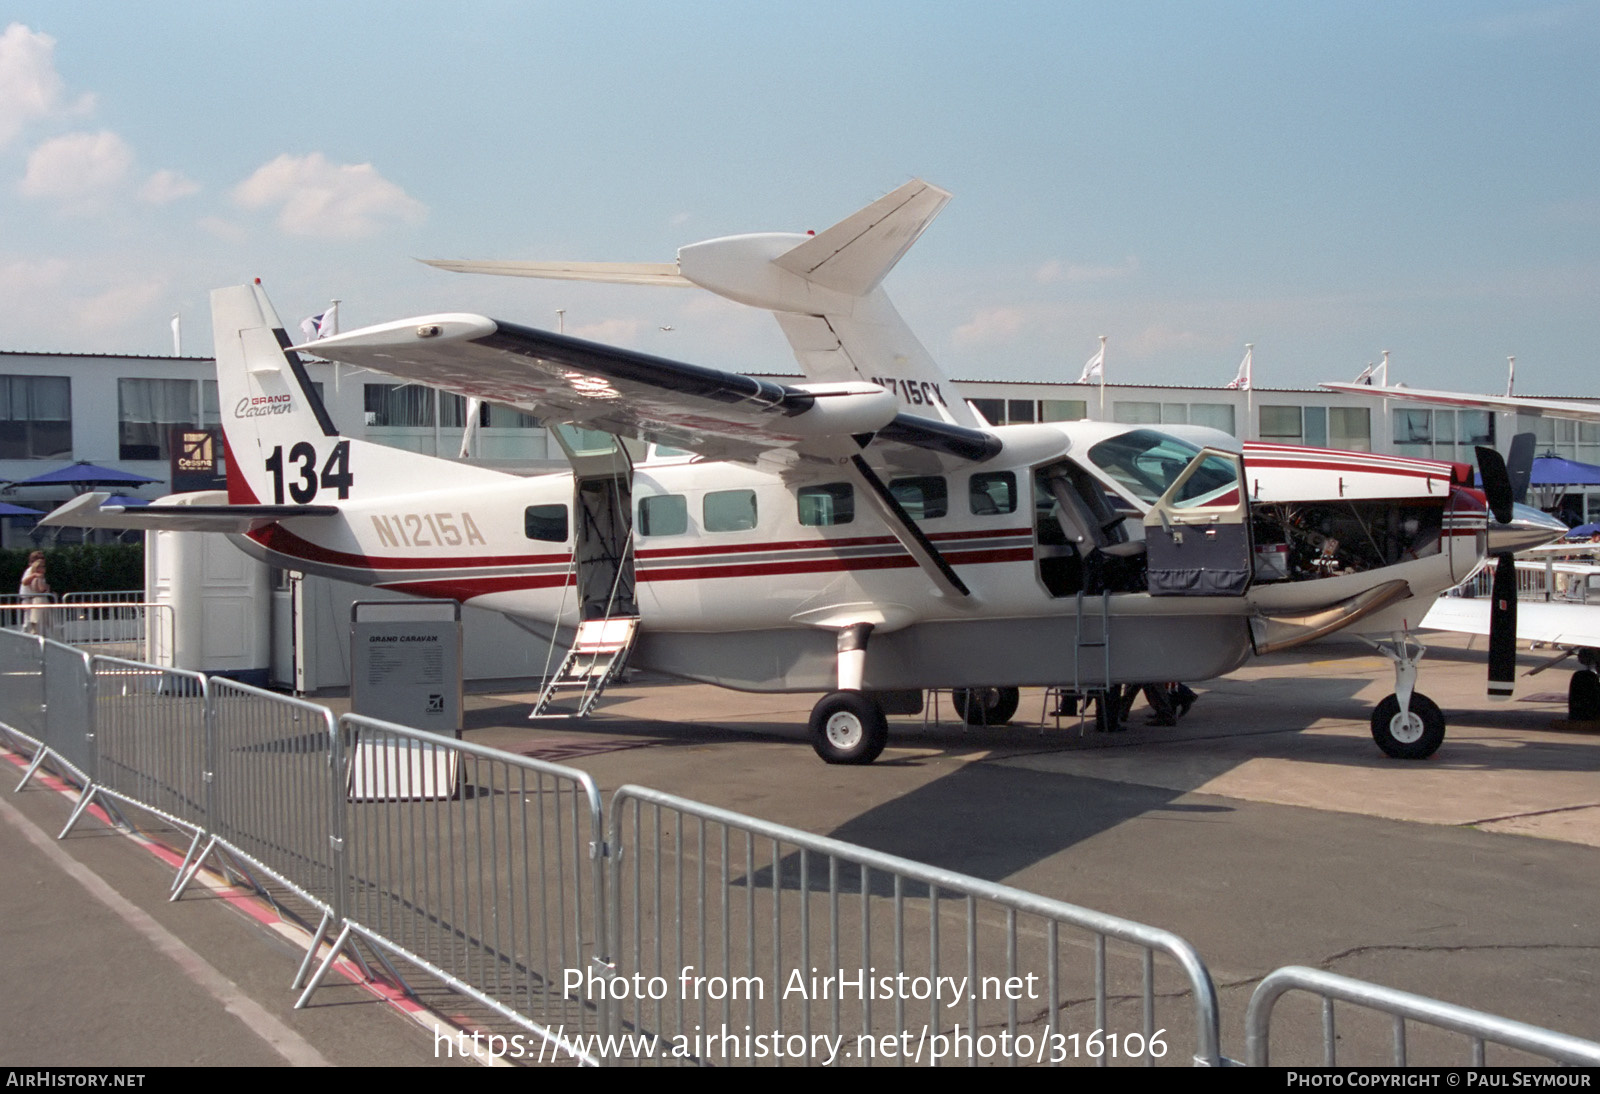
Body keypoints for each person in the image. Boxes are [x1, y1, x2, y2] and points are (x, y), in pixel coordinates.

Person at [19, 550, 49, 635]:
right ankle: (25, 637)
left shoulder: (40, 573)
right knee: (28, 621)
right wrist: (34, 575)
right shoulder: (30, 571)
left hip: (34, 599)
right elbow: (24, 582)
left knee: (35, 621)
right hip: (28, 598)